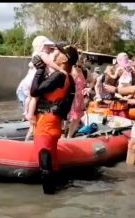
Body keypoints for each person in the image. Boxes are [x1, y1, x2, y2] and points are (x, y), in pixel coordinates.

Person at [30, 42, 78, 194]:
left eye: (59, 53)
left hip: (46, 123)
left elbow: (35, 91)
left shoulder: (59, 76)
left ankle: (49, 197)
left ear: (64, 60)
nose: (55, 55)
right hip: (55, 123)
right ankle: (58, 190)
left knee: (44, 162)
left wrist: (39, 70)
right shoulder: (69, 79)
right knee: (52, 160)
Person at [67, 63, 86, 138]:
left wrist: (87, 88)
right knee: (74, 117)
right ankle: (68, 135)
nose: (78, 67)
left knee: (78, 117)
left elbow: (86, 83)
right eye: (76, 65)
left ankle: (70, 135)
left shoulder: (80, 71)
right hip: (74, 96)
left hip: (80, 96)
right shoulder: (71, 71)